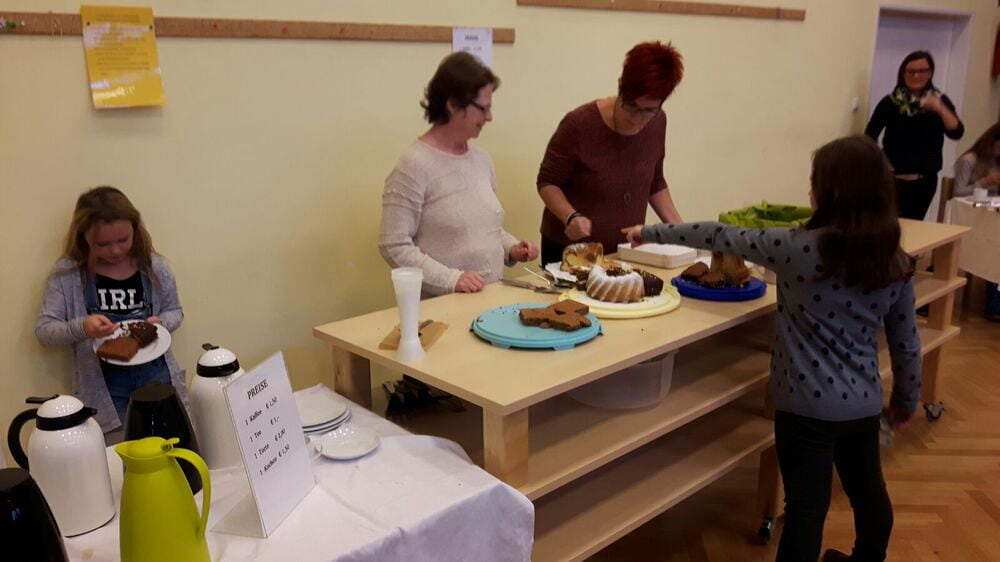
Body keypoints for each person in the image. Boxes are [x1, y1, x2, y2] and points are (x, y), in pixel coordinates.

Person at [624, 136, 921, 562]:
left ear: (828, 192)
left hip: (803, 409)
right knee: (869, 495)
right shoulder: (897, 261)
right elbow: (907, 345)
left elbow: (719, 235)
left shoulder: (796, 248)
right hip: (862, 405)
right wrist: (906, 400)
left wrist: (648, 231)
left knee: (806, 510)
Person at [379, 52, 538, 297]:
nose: (489, 117)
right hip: (443, 305)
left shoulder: (482, 160)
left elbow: (484, 229)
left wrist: (511, 248)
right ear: (453, 105)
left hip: (490, 299)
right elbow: (393, 245)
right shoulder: (413, 166)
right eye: (483, 108)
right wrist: (452, 279)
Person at [35, 186, 186, 442]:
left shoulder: (154, 266)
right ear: (83, 237)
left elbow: (176, 311)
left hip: (157, 375)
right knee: (119, 455)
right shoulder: (68, 274)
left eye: (123, 240)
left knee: (171, 445)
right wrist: (83, 327)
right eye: (102, 244)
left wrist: (161, 323)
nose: (116, 251)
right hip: (105, 389)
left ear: (136, 230)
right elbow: (44, 332)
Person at [536, 41, 684, 266]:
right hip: (572, 252)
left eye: (648, 110)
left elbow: (655, 182)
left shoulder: (657, 123)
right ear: (620, 86)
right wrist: (570, 216)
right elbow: (547, 182)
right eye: (631, 106)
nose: (637, 119)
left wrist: (682, 233)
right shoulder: (579, 124)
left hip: (625, 251)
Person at [865, 50, 964, 220]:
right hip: (892, 179)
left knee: (915, 224)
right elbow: (869, 137)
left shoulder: (939, 100)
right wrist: (882, 163)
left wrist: (940, 108)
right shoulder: (890, 102)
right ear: (903, 74)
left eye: (922, 71)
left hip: (924, 181)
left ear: (930, 73)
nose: (916, 76)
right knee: (888, 223)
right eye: (911, 71)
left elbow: (957, 132)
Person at [953, 122, 1000, 321]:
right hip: (971, 218)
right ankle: (994, 304)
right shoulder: (969, 160)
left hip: (991, 215)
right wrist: (985, 181)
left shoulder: (996, 162)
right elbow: (958, 192)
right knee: (995, 248)